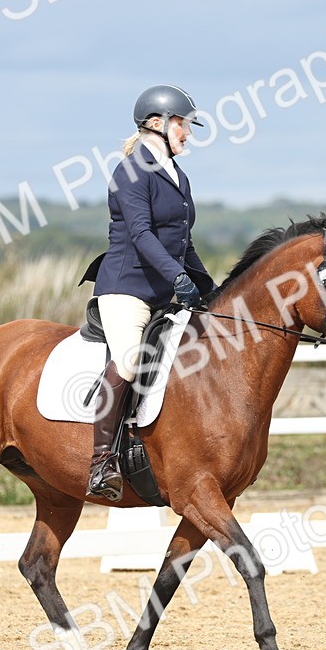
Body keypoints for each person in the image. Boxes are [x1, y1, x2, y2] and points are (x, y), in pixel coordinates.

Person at [84, 84, 216, 501]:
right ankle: (100, 461)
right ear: (157, 124)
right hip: (127, 289)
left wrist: (208, 285)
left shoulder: (178, 176)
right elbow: (141, 234)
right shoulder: (131, 171)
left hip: (164, 289)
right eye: (183, 124)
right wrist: (178, 278)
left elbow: (183, 241)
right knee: (128, 360)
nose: (188, 133)